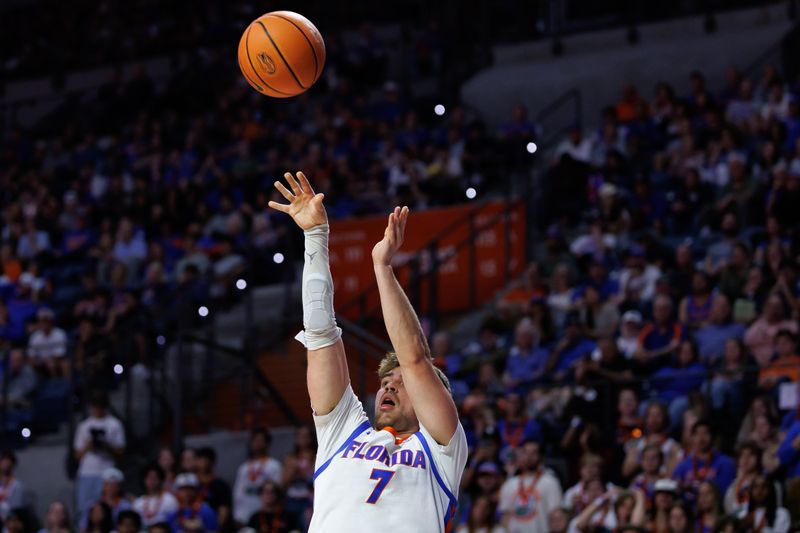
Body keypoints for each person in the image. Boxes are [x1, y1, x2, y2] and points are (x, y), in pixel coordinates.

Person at [267, 173, 467, 532]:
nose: (388, 387)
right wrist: (315, 237)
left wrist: (382, 267)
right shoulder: (343, 432)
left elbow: (416, 360)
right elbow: (320, 334)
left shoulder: (441, 448)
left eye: (400, 383)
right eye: (386, 381)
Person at [74, 392, 126, 525]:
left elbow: (121, 452)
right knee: (84, 508)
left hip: (107, 472)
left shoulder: (114, 424)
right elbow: (77, 455)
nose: (97, 409)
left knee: (107, 507)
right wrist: (88, 445)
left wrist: (106, 445)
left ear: (105, 406)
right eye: (94, 406)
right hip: (87, 472)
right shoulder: (84, 426)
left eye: (100, 405)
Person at [497, 440, 562, 533]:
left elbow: (556, 515)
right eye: (525, 452)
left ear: (540, 457)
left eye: (534, 453)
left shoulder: (550, 482)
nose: (529, 456)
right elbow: (506, 517)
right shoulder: (509, 484)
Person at [672, 420, 736, 502]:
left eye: (705, 433)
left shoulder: (725, 464)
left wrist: (692, 488)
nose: (701, 438)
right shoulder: (683, 466)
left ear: (713, 437)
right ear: (692, 438)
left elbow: (725, 492)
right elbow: (674, 488)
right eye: (697, 434)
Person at [233, 428, 282, 525]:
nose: (257, 443)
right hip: (245, 511)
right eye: (255, 440)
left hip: (265, 511)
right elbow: (238, 493)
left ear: (267, 444)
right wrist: (237, 515)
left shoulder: (274, 465)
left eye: (260, 440)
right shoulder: (244, 468)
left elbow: (277, 491)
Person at [280, 426, 315, 532]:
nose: (303, 438)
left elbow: (317, 480)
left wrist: (306, 472)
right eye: (299, 435)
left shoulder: (317, 456)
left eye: (306, 436)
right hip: (291, 499)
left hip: (309, 501)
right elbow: (283, 484)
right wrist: (292, 471)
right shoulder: (290, 458)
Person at [194, 448, 231, 531]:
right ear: (196, 461)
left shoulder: (220, 485)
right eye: (201, 459)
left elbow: (223, 511)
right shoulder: (191, 484)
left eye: (207, 459)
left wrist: (215, 528)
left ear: (213, 462)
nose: (204, 462)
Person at [0, 450, 23, 520]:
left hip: (9, 521)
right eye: (3, 461)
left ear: (12, 465)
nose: (5, 464)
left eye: (8, 462)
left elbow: (16, 508)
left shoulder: (17, 485)